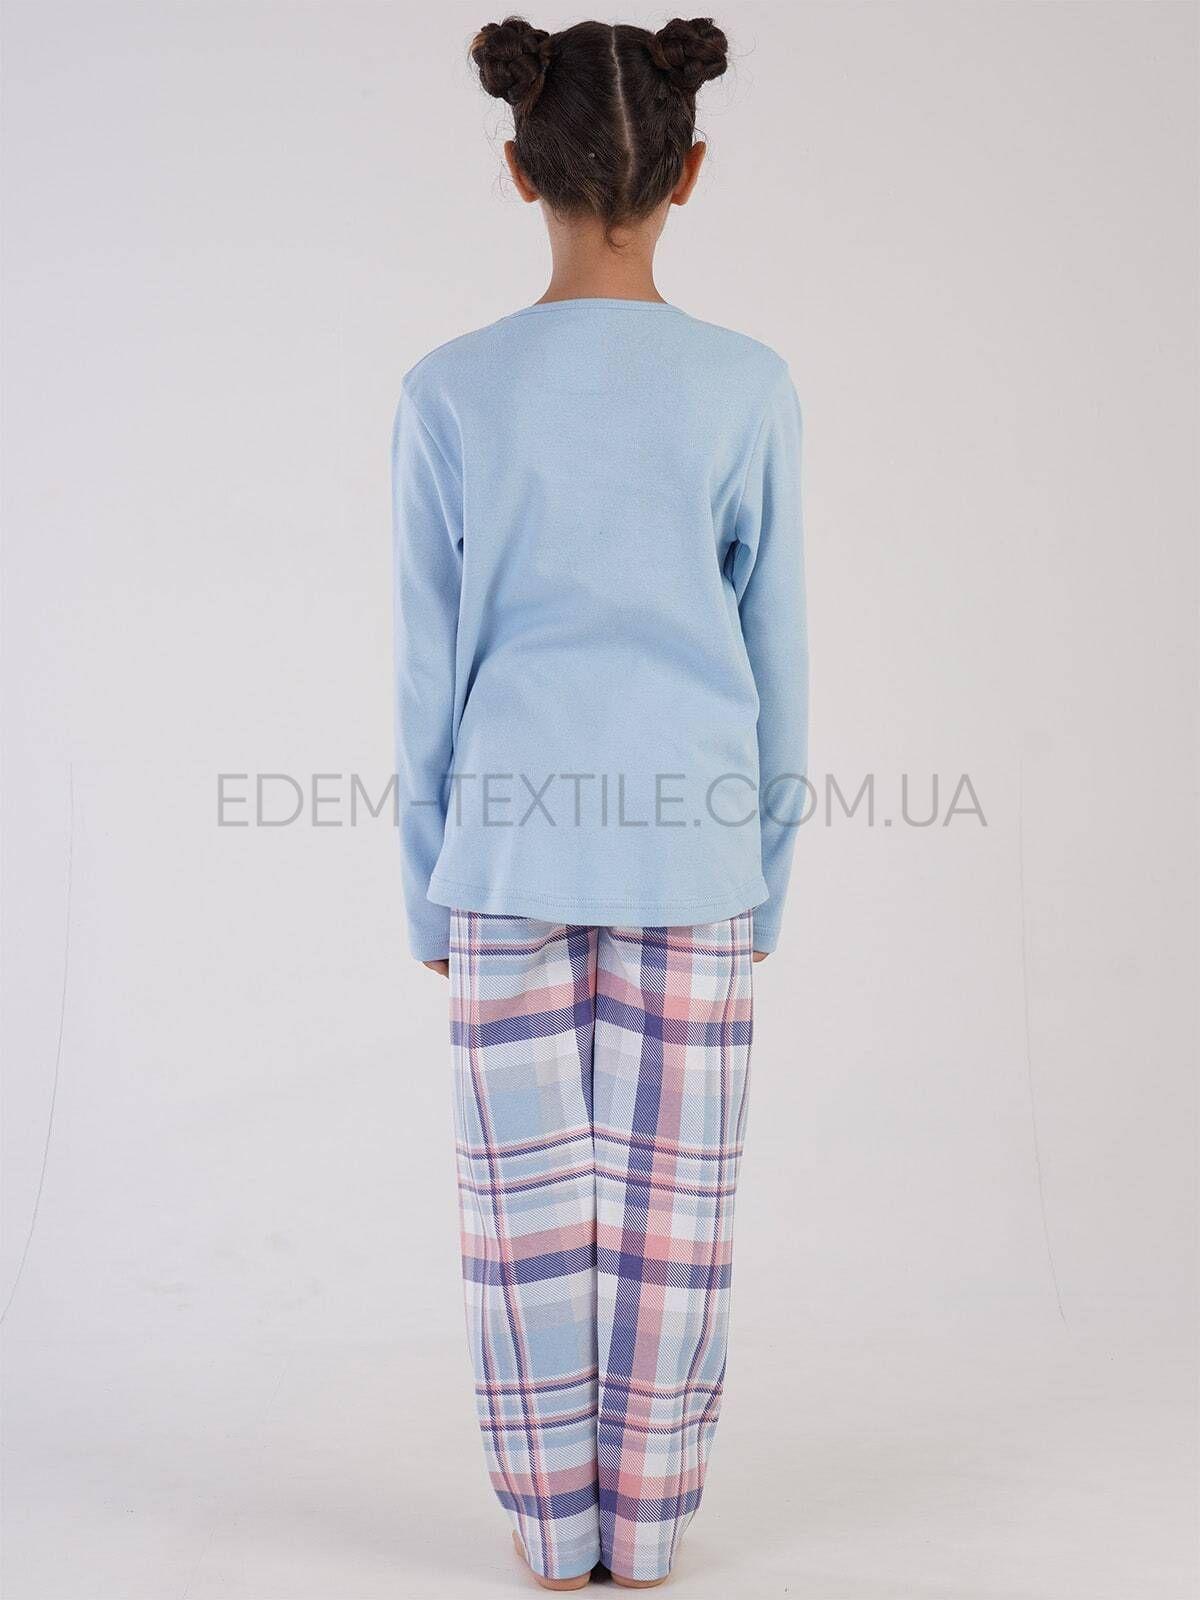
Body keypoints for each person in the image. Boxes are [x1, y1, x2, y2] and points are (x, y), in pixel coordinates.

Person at [392, 15, 808, 1589]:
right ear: (689, 172)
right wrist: (766, 878)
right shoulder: (748, 387)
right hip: (697, 855)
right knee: (673, 1217)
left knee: (524, 1221)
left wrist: (426, 884)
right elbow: (780, 652)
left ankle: (549, 1536)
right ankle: (649, 1528)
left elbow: (424, 664)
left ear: (520, 170)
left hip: (502, 853)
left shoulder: (449, 390)